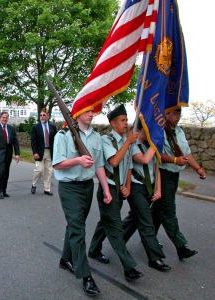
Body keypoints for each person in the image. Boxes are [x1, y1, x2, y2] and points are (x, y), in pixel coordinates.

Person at [52, 107, 111, 296]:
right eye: (86, 110)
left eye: (92, 110)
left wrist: (106, 189)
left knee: (75, 225)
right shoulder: (63, 135)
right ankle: (86, 276)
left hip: (88, 186)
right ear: (76, 114)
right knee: (78, 230)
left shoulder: (96, 136)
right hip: (70, 188)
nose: (91, 113)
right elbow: (57, 163)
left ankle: (65, 259)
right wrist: (78, 160)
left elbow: (99, 164)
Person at [88, 104, 143, 282]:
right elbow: (114, 162)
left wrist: (127, 186)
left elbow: (129, 166)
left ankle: (94, 250)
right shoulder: (107, 140)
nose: (126, 124)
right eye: (122, 120)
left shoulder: (127, 140)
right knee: (115, 227)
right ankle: (129, 267)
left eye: (127, 120)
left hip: (120, 189)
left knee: (106, 221)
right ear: (112, 123)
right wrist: (128, 142)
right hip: (108, 189)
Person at [152, 107, 206, 260]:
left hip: (174, 175)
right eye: (174, 113)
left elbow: (187, 153)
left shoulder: (179, 131)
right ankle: (181, 247)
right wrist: (174, 160)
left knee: (157, 211)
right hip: (163, 174)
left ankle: (149, 239)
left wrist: (198, 169)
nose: (177, 117)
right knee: (168, 211)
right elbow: (156, 154)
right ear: (166, 113)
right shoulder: (160, 131)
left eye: (179, 114)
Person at [122, 120, 171, 272]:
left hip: (149, 188)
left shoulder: (151, 146)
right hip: (135, 187)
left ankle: (117, 241)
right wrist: (156, 142)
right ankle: (155, 258)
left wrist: (158, 189)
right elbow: (144, 159)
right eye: (148, 130)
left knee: (134, 219)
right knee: (146, 220)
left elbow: (157, 167)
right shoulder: (132, 145)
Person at [0, 112, 20, 199]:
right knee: (1, 171)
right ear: (0, 118)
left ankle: (4, 190)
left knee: (6, 173)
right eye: (3, 117)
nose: (5, 119)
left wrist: (17, 154)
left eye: (6, 117)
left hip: (8, 154)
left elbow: (15, 142)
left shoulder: (11, 129)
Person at [30, 108, 57, 195]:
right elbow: (33, 141)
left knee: (49, 171)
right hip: (39, 152)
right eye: (41, 115)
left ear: (48, 116)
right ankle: (34, 184)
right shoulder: (35, 127)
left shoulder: (53, 127)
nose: (42, 117)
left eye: (44, 115)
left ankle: (47, 189)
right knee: (39, 170)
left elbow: (55, 140)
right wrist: (35, 152)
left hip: (49, 152)